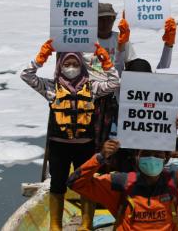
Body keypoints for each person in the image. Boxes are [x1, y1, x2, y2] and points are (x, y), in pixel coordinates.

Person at [20, 40, 120, 231]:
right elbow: (26, 75)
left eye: (75, 64)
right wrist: (42, 57)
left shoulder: (92, 87)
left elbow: (114, 82)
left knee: (87, 183)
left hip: (85, 145)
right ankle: (55, 225)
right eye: (67, 64)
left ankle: (86, 224)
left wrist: (104, 59)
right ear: (60, 66)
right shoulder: (51, 88)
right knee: (58, 184)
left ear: (82, 66)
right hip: (59, 146)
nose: (71, 68)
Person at [67, 114, 178, 230]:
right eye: (146, 153)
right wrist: (100, 157)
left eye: (158, 154)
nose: (152, 158)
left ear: (166, 158)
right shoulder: (119, 183)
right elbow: (75, 182)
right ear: (136, 157)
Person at [83, 3, 177, 78]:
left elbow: (130, 66)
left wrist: (168, 45)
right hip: (93, 85)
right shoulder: (85, 40)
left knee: (140, 65)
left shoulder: (120, 38)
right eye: (101, 19)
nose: (106, 23)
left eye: (109, 19)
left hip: (115, 83)